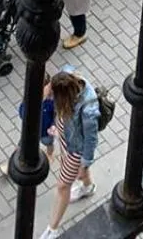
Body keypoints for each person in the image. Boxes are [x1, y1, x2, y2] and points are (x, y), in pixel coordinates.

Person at [38, 68, 100, 239]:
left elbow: (90, 140)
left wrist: (84, 163)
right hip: (68, 140)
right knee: (80, 174)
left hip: (76, 151)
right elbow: (60, 76)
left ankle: (53, 228)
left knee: (63, 186)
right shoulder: (67, 76)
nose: (52, 99)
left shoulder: (88, 109)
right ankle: (88, 187)